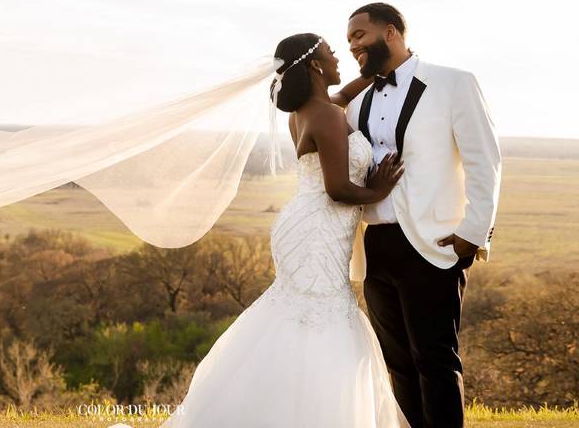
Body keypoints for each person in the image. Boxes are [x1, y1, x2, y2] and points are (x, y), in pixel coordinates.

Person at [156, 32, 409, 427]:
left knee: (300, 314)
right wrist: (378, 188)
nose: (338, 56)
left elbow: (346, 93)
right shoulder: (326, 114)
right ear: (314, 65)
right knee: (317, 316)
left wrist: (387, 69)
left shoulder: (312, 110)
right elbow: (338, 189)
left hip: (307, 225)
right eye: (330, 52)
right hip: (318, 231)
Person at [345, 3, 501, 428]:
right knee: (397, 363)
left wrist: (475, 231)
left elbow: (483, 161)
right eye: (349, 40)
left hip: (432, 242)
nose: (353, 45)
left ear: (391, 31)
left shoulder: (454, 84)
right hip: (374, 244)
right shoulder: (355, 102)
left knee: (435, 361)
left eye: (359, 35)